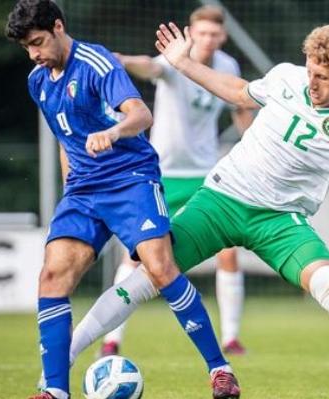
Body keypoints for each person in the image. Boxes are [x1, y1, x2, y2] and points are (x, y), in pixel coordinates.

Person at [70, 22, 329, 399]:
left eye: (323, 77)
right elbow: (238, 92)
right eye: (310, 70)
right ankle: (62, 361)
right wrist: (183, 63)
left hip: (279, 220)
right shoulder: (286, 77)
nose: (312, 82)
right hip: (222, 200)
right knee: (147, 275)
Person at [4, 1, 240, 399]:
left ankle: (220, 369)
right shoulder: (38, 81)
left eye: (38, 42)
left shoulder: (95, 62)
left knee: (160, 267)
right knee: (52, 277)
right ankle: (56, 391)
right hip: (82, 190)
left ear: (58, 27)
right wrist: (70, 189)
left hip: (129, 179)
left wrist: (113, 133)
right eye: (26, 47)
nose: (33, 54)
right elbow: (65, 138)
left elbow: (141, 115)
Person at [100, 5, 254, 358]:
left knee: (229, 251)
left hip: (206, 174)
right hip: (163, 173)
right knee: (137, 256)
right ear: (191, 33)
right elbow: (151, 67)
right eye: (202, 33)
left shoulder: (228, 66)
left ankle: (231, 338)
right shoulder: (175, 58)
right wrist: (123, 60)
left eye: (214, 33)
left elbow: (240, 106)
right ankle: (112, 339)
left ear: (222, 36)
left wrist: (254, 140)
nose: (208, 39)